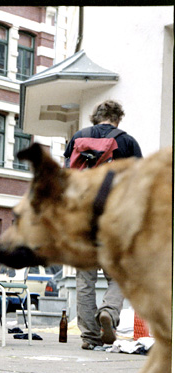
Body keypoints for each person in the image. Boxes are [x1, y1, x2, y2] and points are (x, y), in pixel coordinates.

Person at [63, 100, 142, 350]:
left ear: (95, 117)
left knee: (85, 281)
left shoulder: (78, 138)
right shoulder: (127, 141)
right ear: (118, 118)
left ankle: (89, 336)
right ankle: (108, 311)